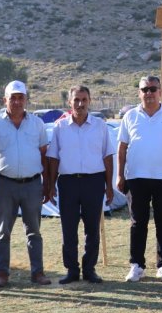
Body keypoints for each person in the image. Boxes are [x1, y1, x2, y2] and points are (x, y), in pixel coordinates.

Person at [0, 80, 51, 287]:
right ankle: (1, 273)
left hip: (32, 184)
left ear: (26, 100)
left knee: (34, 231)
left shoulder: (37, 124)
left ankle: (37, 273)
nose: (17, 101)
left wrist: (47, 184)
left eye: (21, 97)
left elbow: (44, 155)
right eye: (13, 98)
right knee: (3, 231)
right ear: (5, 100)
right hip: (5, 185)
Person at [117, 75, 162, 282]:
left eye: (153, 89)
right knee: (138, 223)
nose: (149, 93)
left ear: (160, 91)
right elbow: (122, 147)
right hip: (136, 178)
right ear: (139, 93)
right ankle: (137, 265)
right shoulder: (130, 116)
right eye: (144, 89)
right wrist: (120, 174)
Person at [46, 85, 114, 285]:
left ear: (90, 101)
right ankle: (72, 270)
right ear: (69, 102)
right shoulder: (60, 127)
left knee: (92, 228)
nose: (80, 104)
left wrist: (109, 186)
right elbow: (53, 158)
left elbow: (107, 156)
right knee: (68, 228)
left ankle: (89, 269)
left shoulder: (100, 126)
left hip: (94, 181)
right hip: (68, 182)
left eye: (84, 99)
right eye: (76, 100)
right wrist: (50, 185)